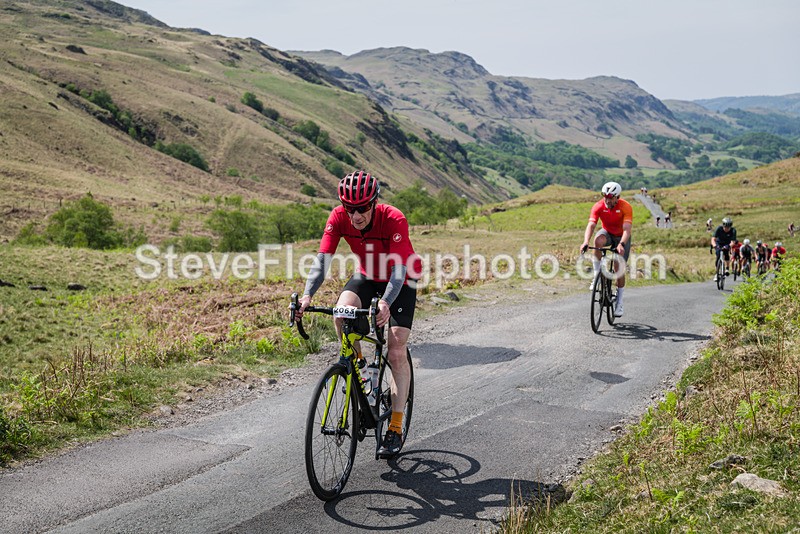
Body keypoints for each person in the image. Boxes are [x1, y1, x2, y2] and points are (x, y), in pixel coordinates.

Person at [295, 170, 421, 458]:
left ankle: (396, 427)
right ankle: (361, 370)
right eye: (350, 208)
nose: (356, 215)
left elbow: (400, 271)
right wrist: (306, 296)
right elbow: (322, 261)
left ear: (374, 203)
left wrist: (386, 302)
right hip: (367, 275)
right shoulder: (338, 217)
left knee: (397, 350)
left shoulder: (393, 218)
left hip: (401, 278)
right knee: (341, 314)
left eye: (363, 208)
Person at [580, 181, 633, 317]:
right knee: (597, 241)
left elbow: (627, 229)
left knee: (618, 267)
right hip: (607, 233)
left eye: (611, 197)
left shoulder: (625, 207)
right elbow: (591, 225)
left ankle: (619, 302)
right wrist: (585, 241)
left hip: (622, 237)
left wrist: (621, 244)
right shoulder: (598, 206)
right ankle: (597, 274)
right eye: (605, 197)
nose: (607, 200)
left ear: (617, 197)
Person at [711, 217, 737, 282]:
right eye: (725, 227)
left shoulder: (733, 230)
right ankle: (717, 273)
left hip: (727, 243)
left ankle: (727, 268)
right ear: (723, 225)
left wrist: (729, 246)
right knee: (718, 256)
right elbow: (713, 239)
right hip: (719, 243)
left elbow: (733, 242)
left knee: (726, 254)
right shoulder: (719, 229)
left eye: (728, 227)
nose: (726, 229)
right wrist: (714, 245)